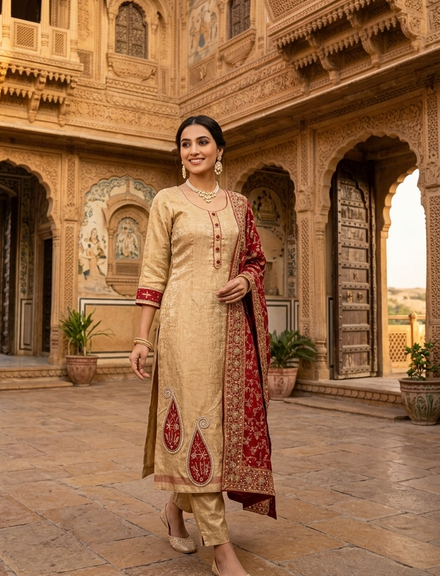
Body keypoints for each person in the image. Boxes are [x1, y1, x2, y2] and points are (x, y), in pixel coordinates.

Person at [129, 115, 275, 576]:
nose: (193, 150)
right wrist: (141, 337)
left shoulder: (239, 205)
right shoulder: (167, 201)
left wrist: (245, 279)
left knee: (214, 428)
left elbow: (257, 259)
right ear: (180, 153)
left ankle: (175, 509)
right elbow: (152, 272)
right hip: (181, 329)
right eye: (185, 144)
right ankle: (222, 547)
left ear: (219, 149)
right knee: (197, 425)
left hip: (229, 330)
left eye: (202, 142)